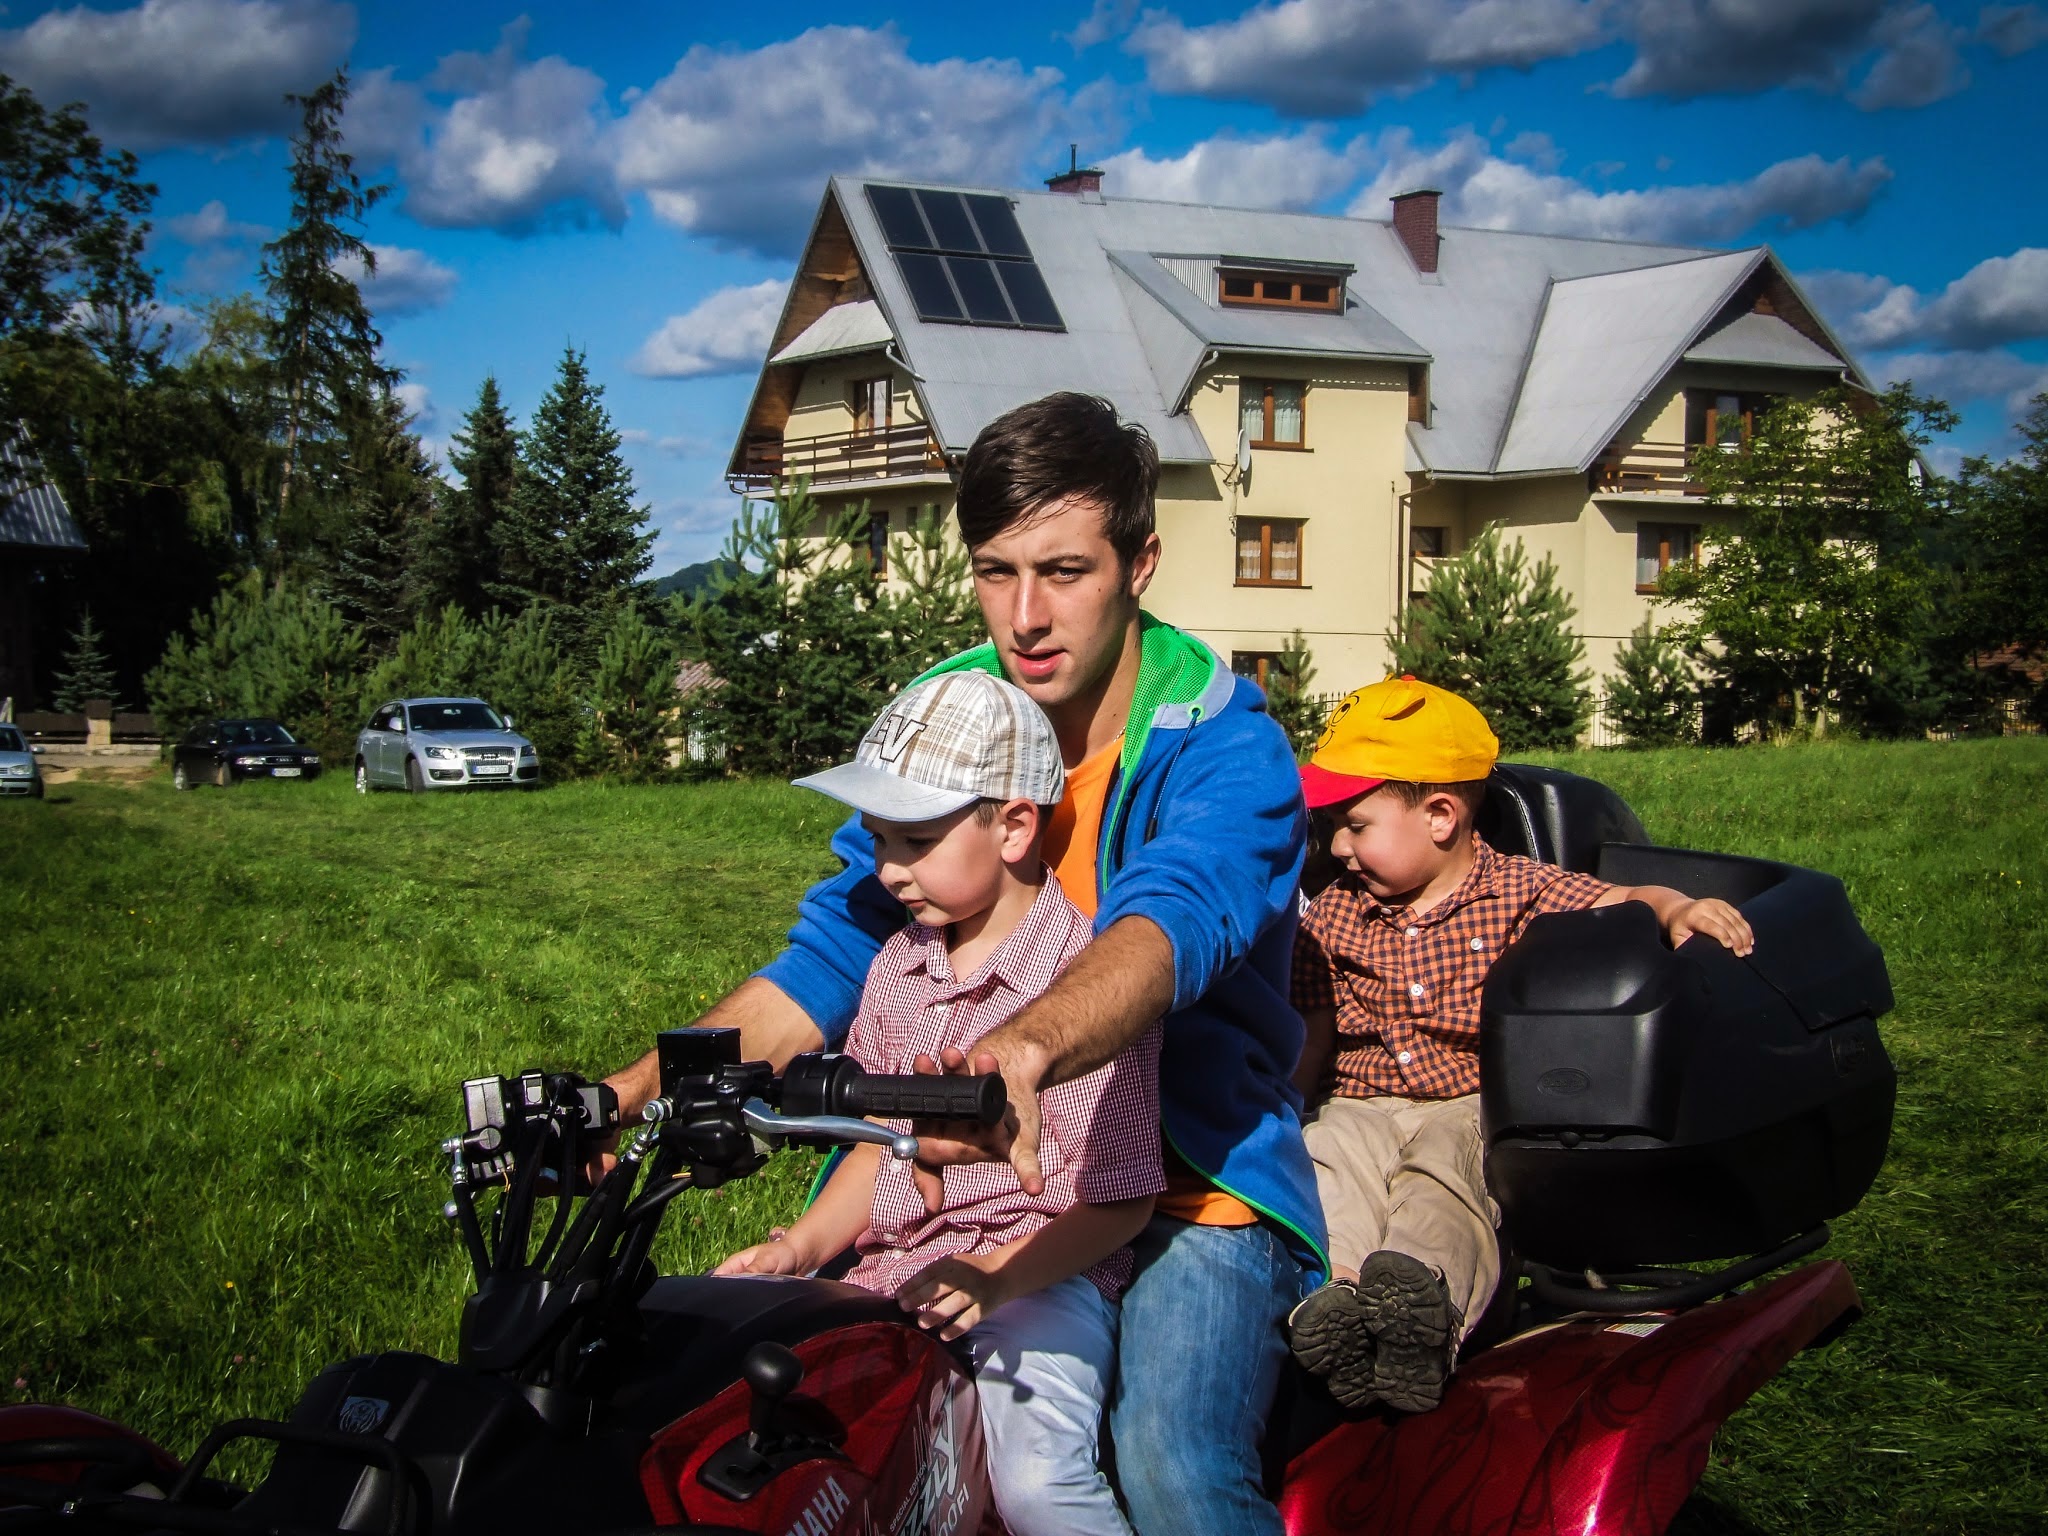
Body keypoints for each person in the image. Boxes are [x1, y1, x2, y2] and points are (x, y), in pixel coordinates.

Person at [601, 392, 1321, 1535]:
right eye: (995, 572)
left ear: (1139, 564)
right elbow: (833, 952)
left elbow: (1171, 923)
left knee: (1171, 1468)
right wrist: (627, 1094)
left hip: (1188, 1191)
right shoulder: (951, 720)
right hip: (960, 1196)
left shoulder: (1225, 744)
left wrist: (1020, 1049)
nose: (1025, 618)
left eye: (1063, 571)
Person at [713, 670, 1161, 1536]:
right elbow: (876, 1143)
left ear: (1015, 827)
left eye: (916, 840)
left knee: (1035, 1480)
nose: (888, 869)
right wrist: (800, 1247)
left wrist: (997, 1279)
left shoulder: (1088, 991)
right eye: (878, 838)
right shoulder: (898, 968)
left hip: (1039, 1282)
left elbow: (1121, 1200)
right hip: (898, 1273)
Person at [1285, 675, 1755, 1412]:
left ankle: (1423, 1313)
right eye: (1332, 827)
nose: (1338, 847)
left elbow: (1621, 900)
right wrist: (1286, 1104)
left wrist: (1675, 909)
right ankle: (1338, 1304)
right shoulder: (1333, 916)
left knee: (1446, 1182)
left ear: (1441, 815)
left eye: (1356, 825)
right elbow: (1316, 1029)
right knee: (1327, 1162)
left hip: (1466, 1101)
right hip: (1359, 1099)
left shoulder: (1520, 891)